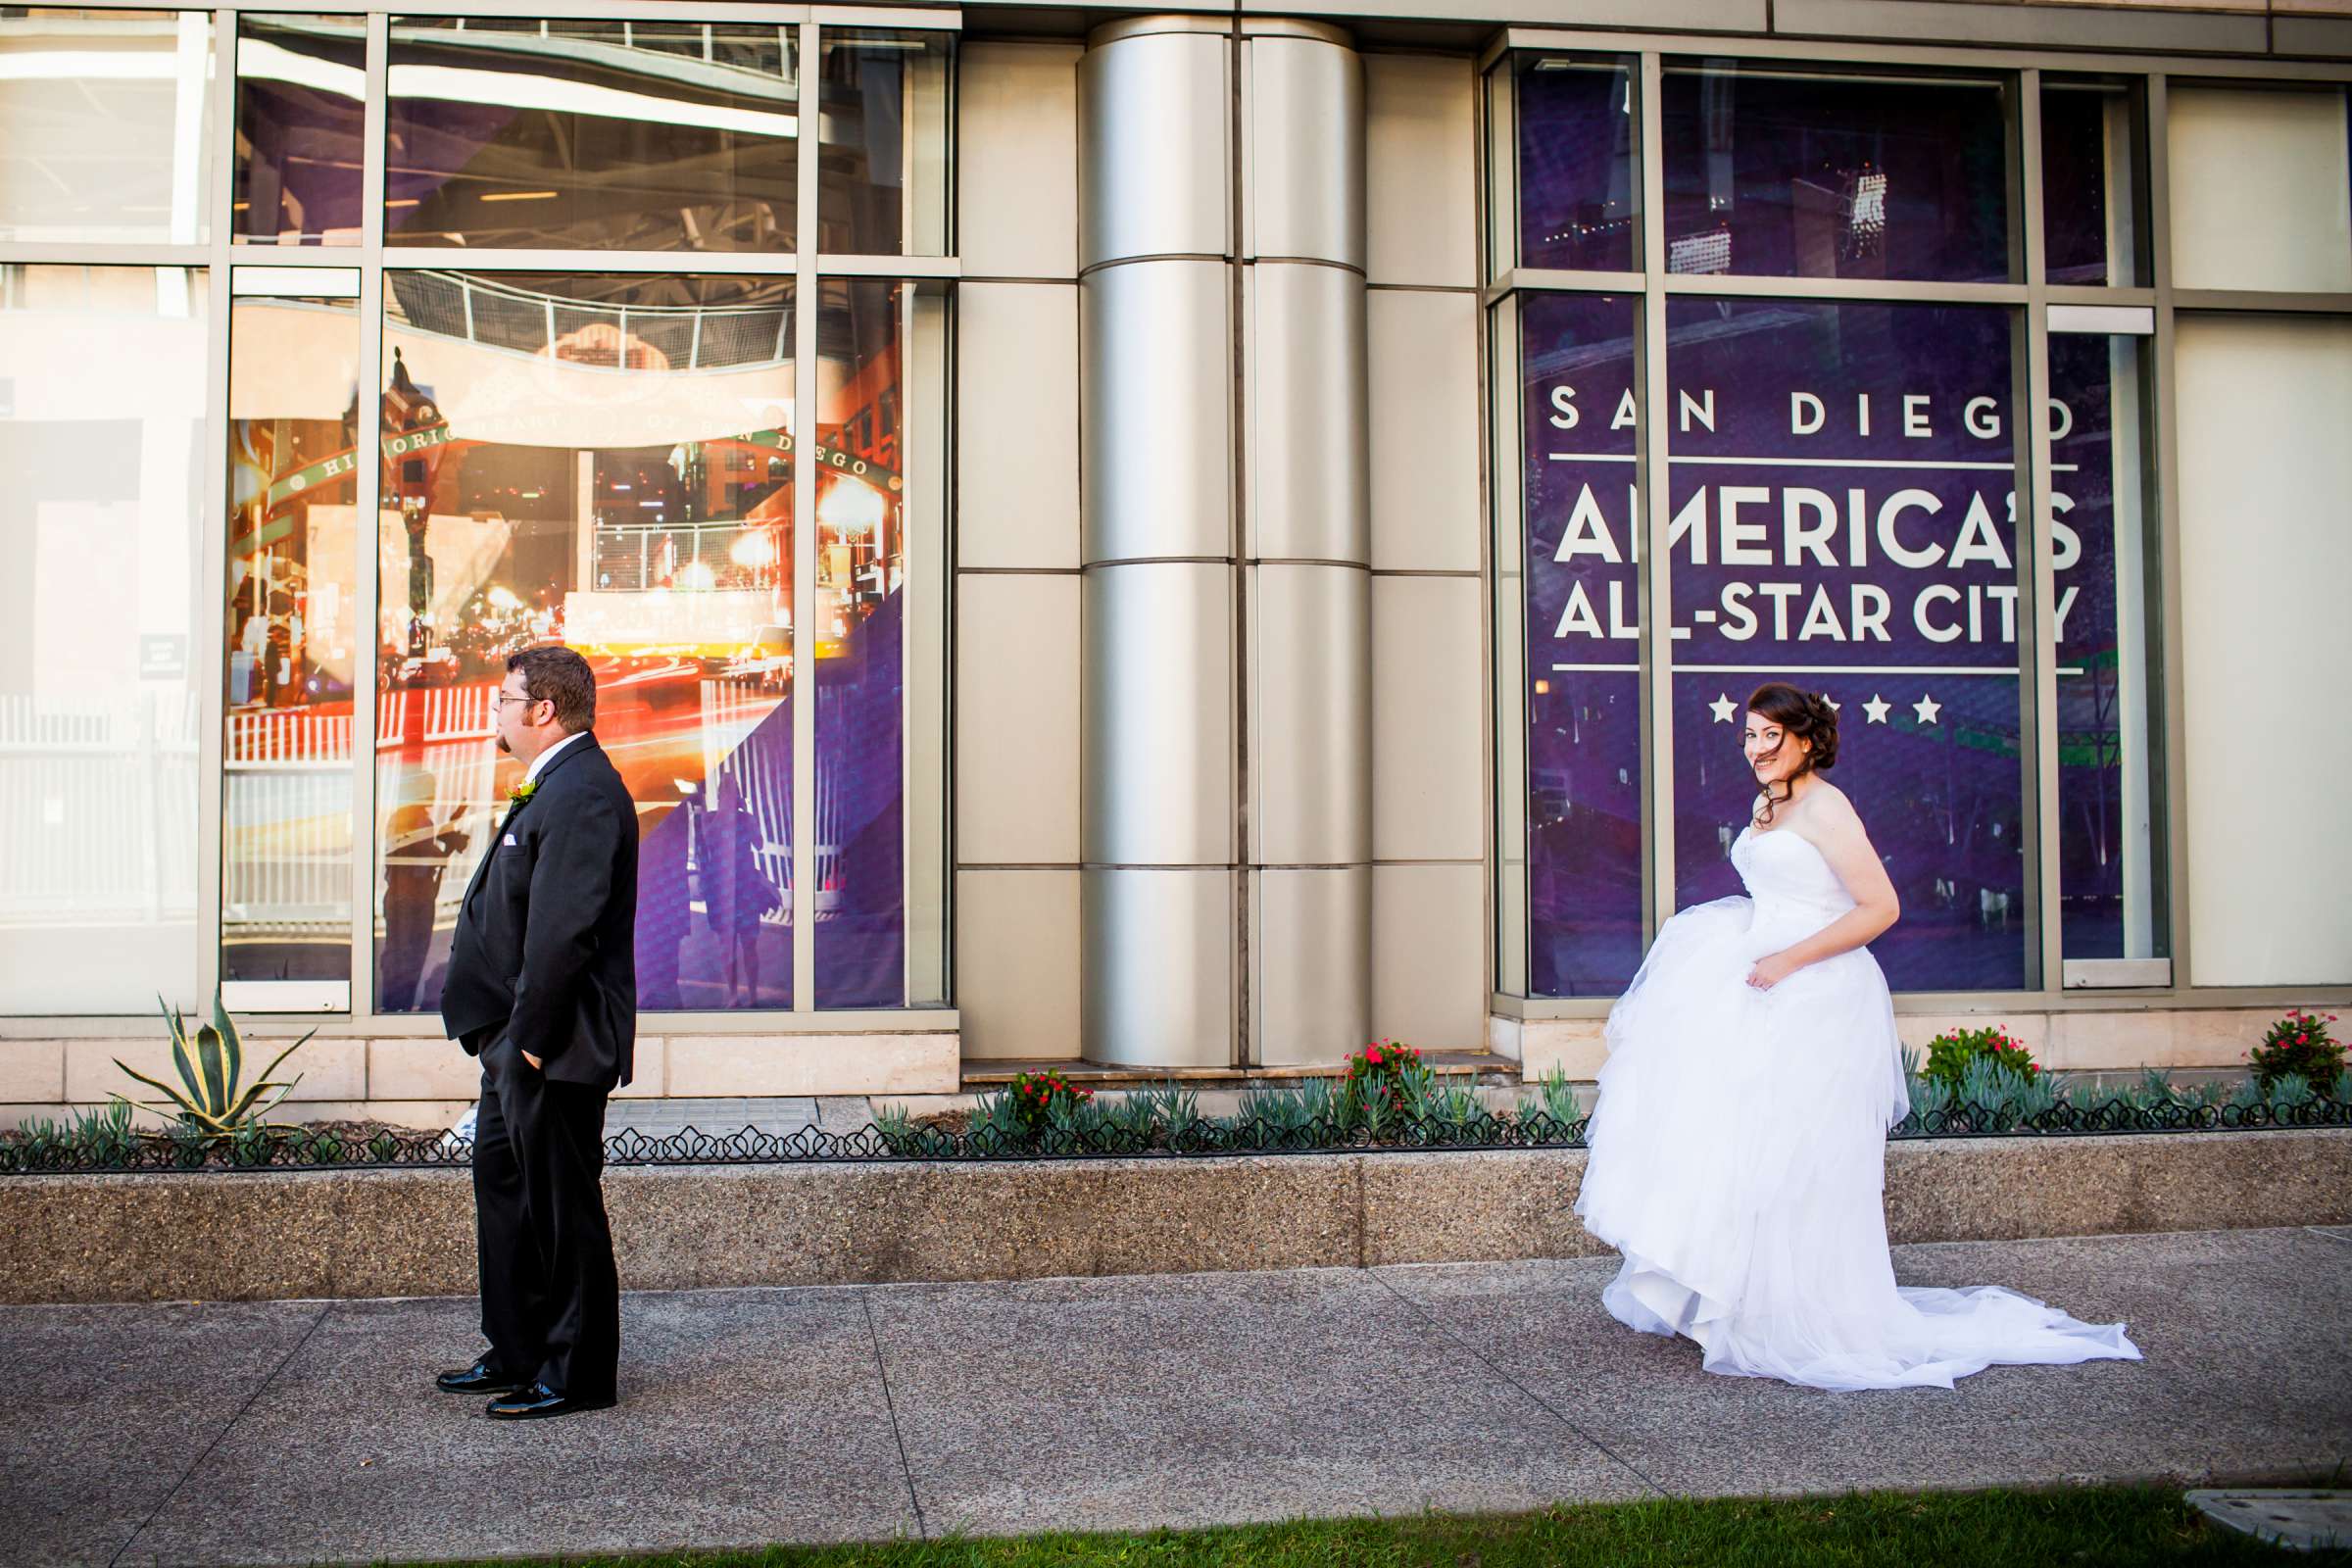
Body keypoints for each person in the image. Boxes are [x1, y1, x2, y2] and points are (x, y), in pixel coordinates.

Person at [1574, 682, 2140, 1391]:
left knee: (1800, 1152)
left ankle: (1796, 1308)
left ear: (1806, 740)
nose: (1755, 749)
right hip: (1754, 979)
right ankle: (1734, 1294)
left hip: (1814, 992)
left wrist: (1787, 960)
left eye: (1769, 737)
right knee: (1739, 1139)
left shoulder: (1828, 808)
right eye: (1749, 736)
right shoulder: (1769, 804)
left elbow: (1880, 908)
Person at [436, 645, 638, 1420]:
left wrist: (526, 1041)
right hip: (515, 1041)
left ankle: (576, 1373)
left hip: (552, 1042)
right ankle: (519, 1349)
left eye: (503, 697)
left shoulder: (583, 790)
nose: (494, 709)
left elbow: (565, 932)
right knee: (506, 1189)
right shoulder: (554, 782)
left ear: (542, 710)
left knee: (561, 1205)